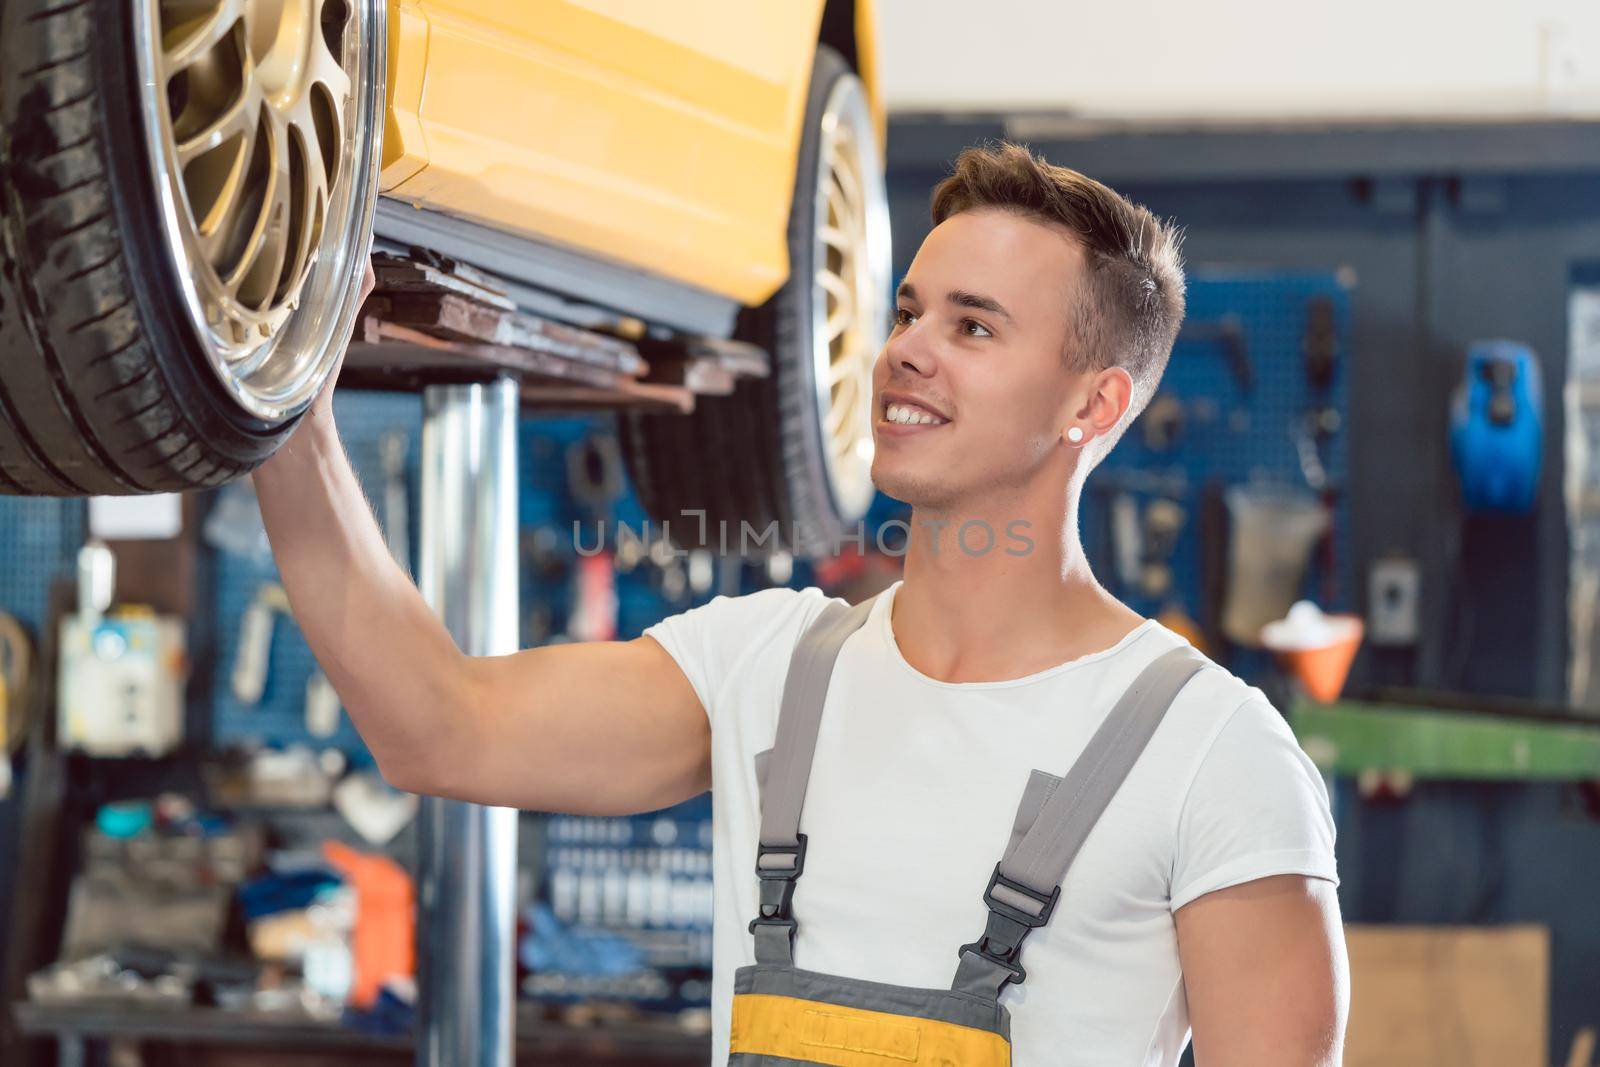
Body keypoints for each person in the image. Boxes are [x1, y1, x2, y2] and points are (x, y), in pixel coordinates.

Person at [253, 141, 1347, 1066]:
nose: (905, 348)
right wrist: (282, 399)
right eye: (909, 308)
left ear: (1091, 403)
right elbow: (437, 725)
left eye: (973, 327)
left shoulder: (1214, 755)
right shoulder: (767, 667)